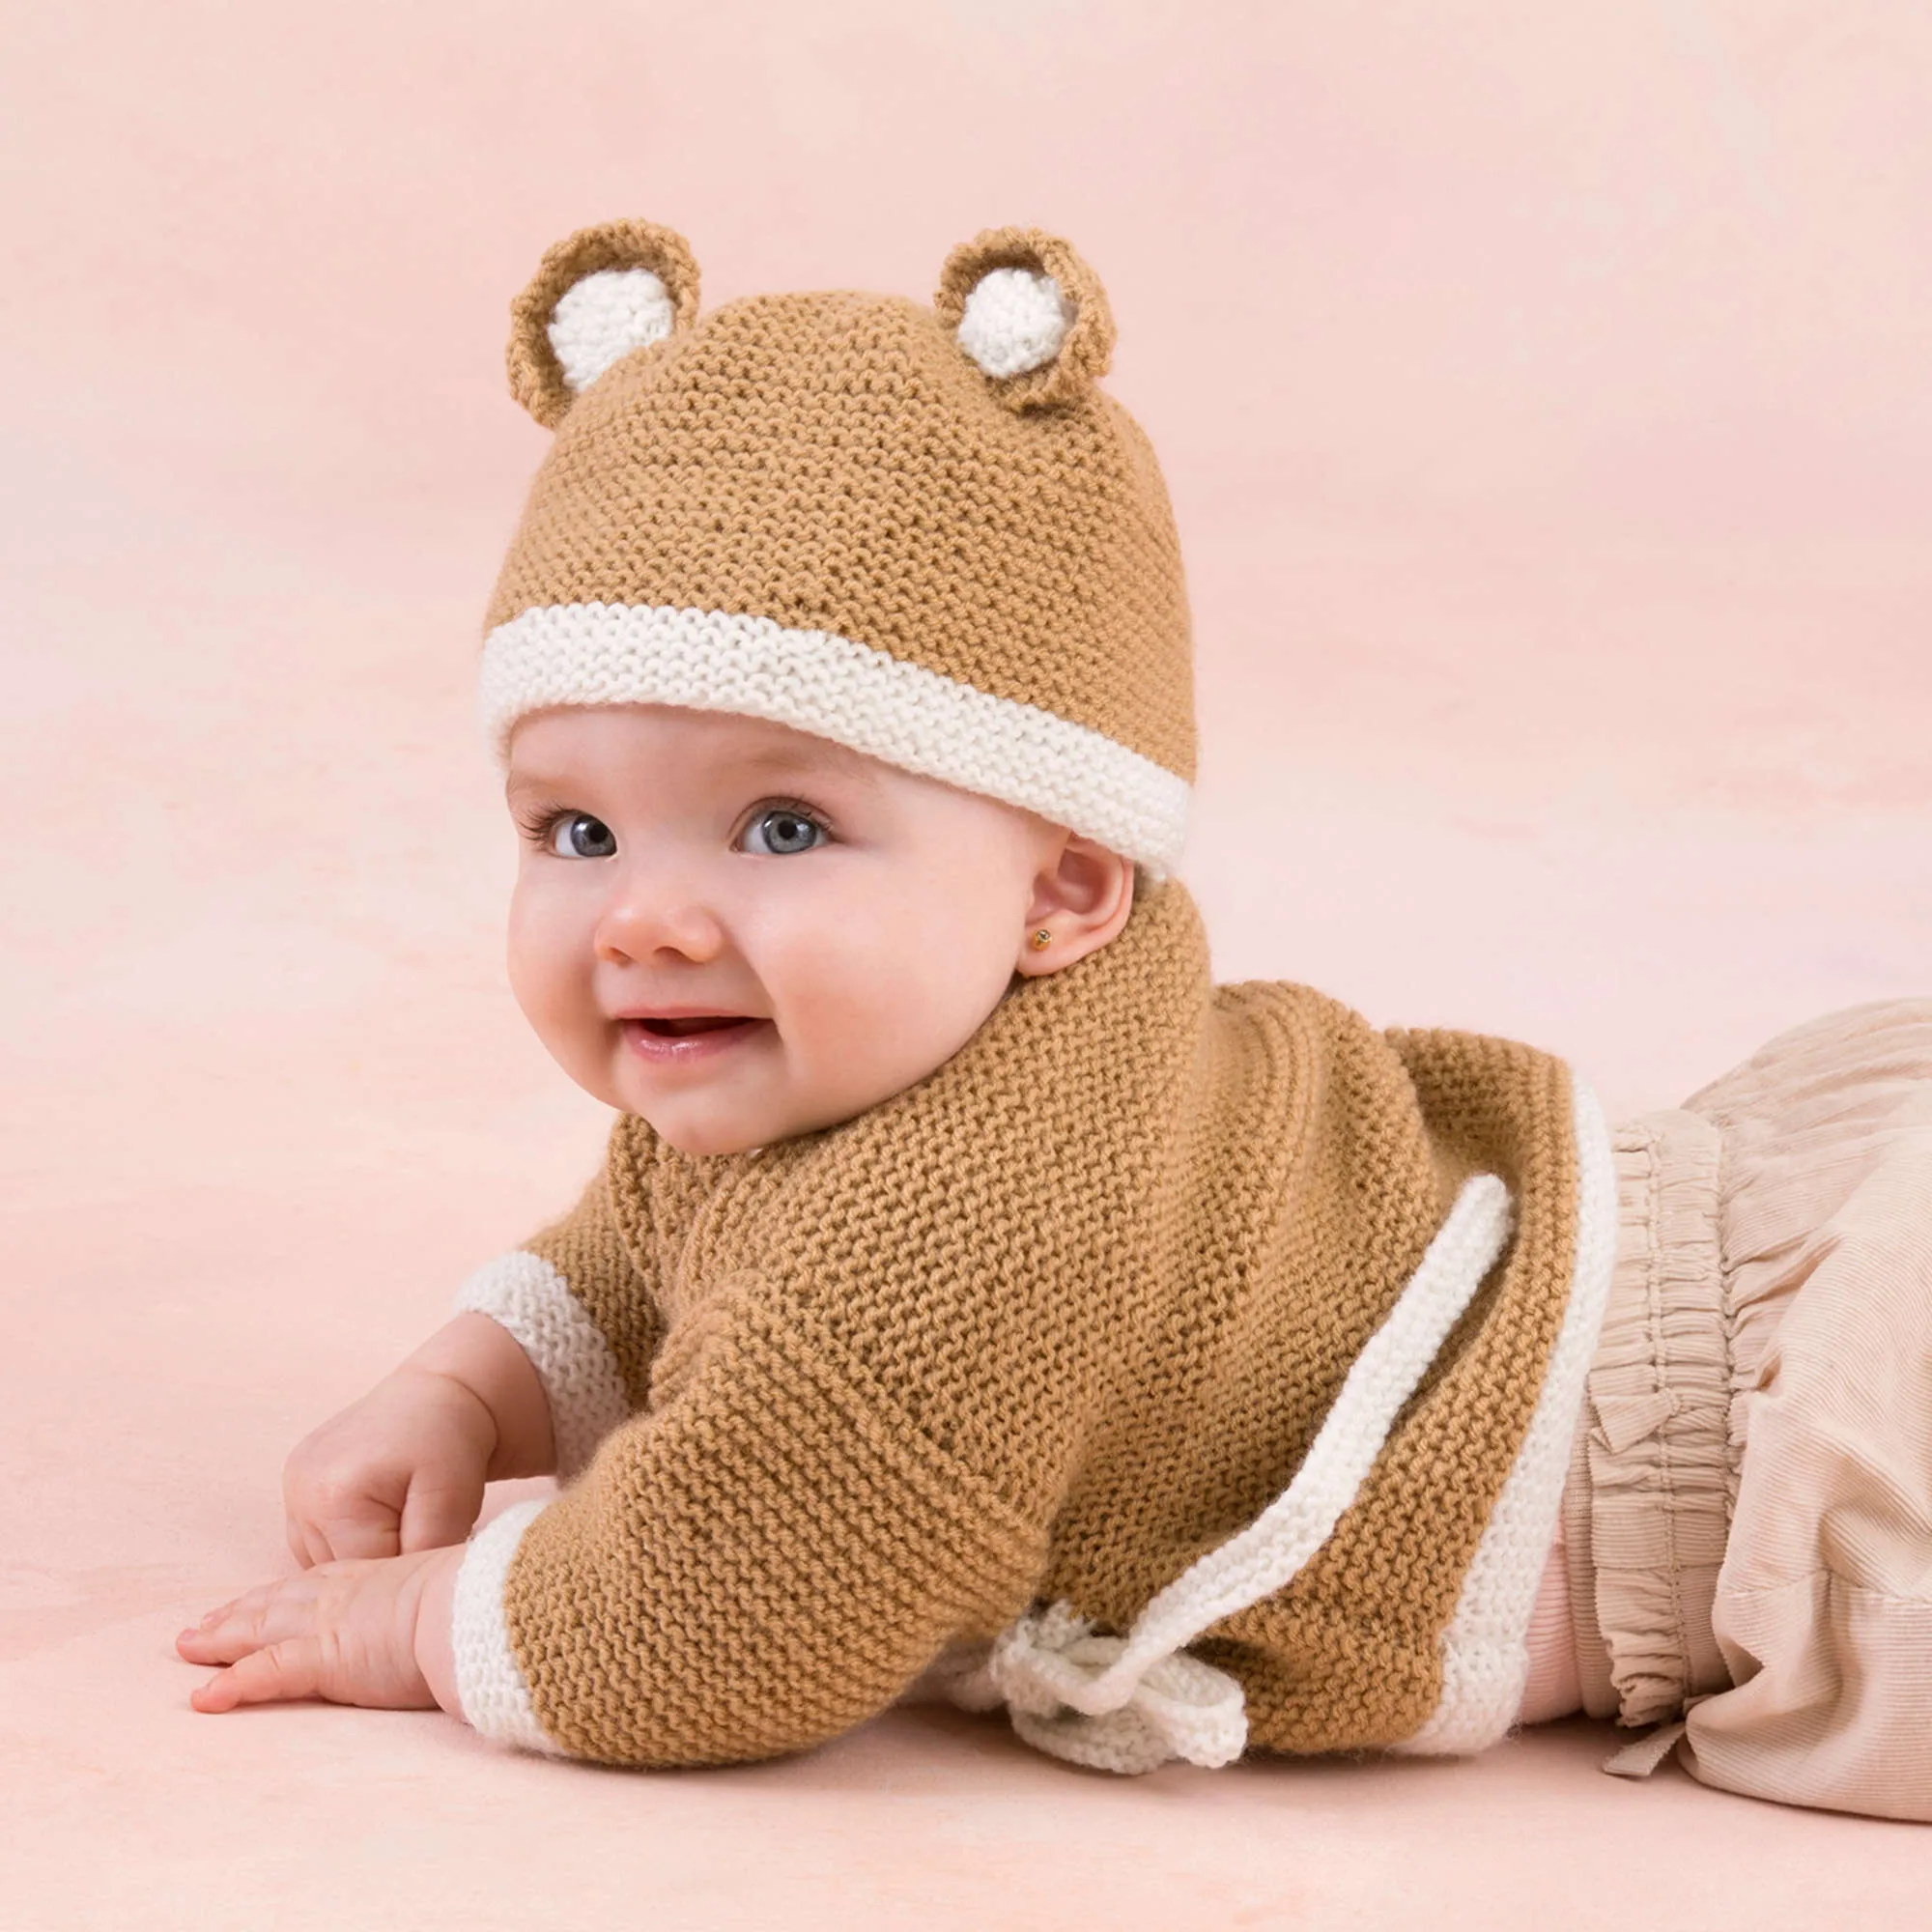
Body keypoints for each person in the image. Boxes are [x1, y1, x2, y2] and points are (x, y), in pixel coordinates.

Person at [177, 219, 1932, 1820]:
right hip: (1687, 1247)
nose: (643, 912)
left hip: (1743, 1463)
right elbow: (659, 1234)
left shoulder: (960, 1224)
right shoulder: (829, 1073)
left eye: (782, 828)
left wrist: (421, 1622)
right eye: (576, 829)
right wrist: (473, 1384)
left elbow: (733, 1605)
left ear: (1065, 892)